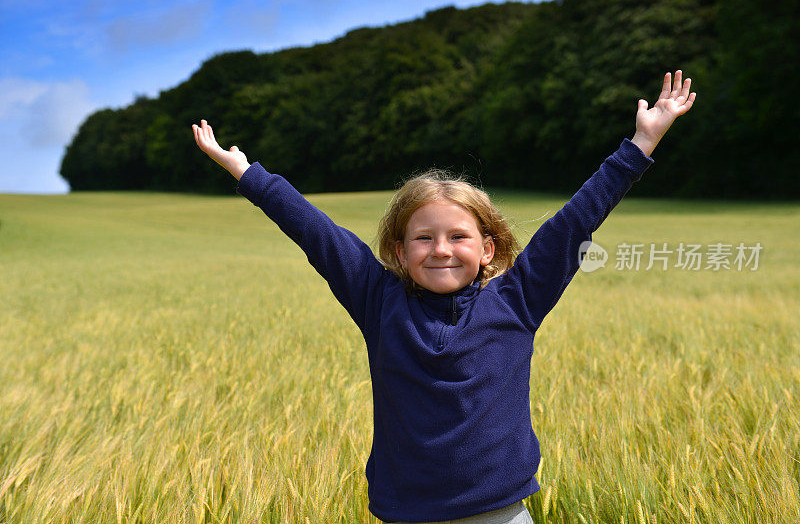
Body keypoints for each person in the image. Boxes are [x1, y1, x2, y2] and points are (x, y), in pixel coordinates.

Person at [192, 71, 695, 523]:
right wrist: (248, 174)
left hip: (500, 514)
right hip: (408, 513)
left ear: (487, 248)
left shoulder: (518, 300)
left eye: (458, 236)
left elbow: (574, 222)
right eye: (423, 238)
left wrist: (641, 143)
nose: (441, 250)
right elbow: (316, 232)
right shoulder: (378, 300)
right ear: (399, 250)